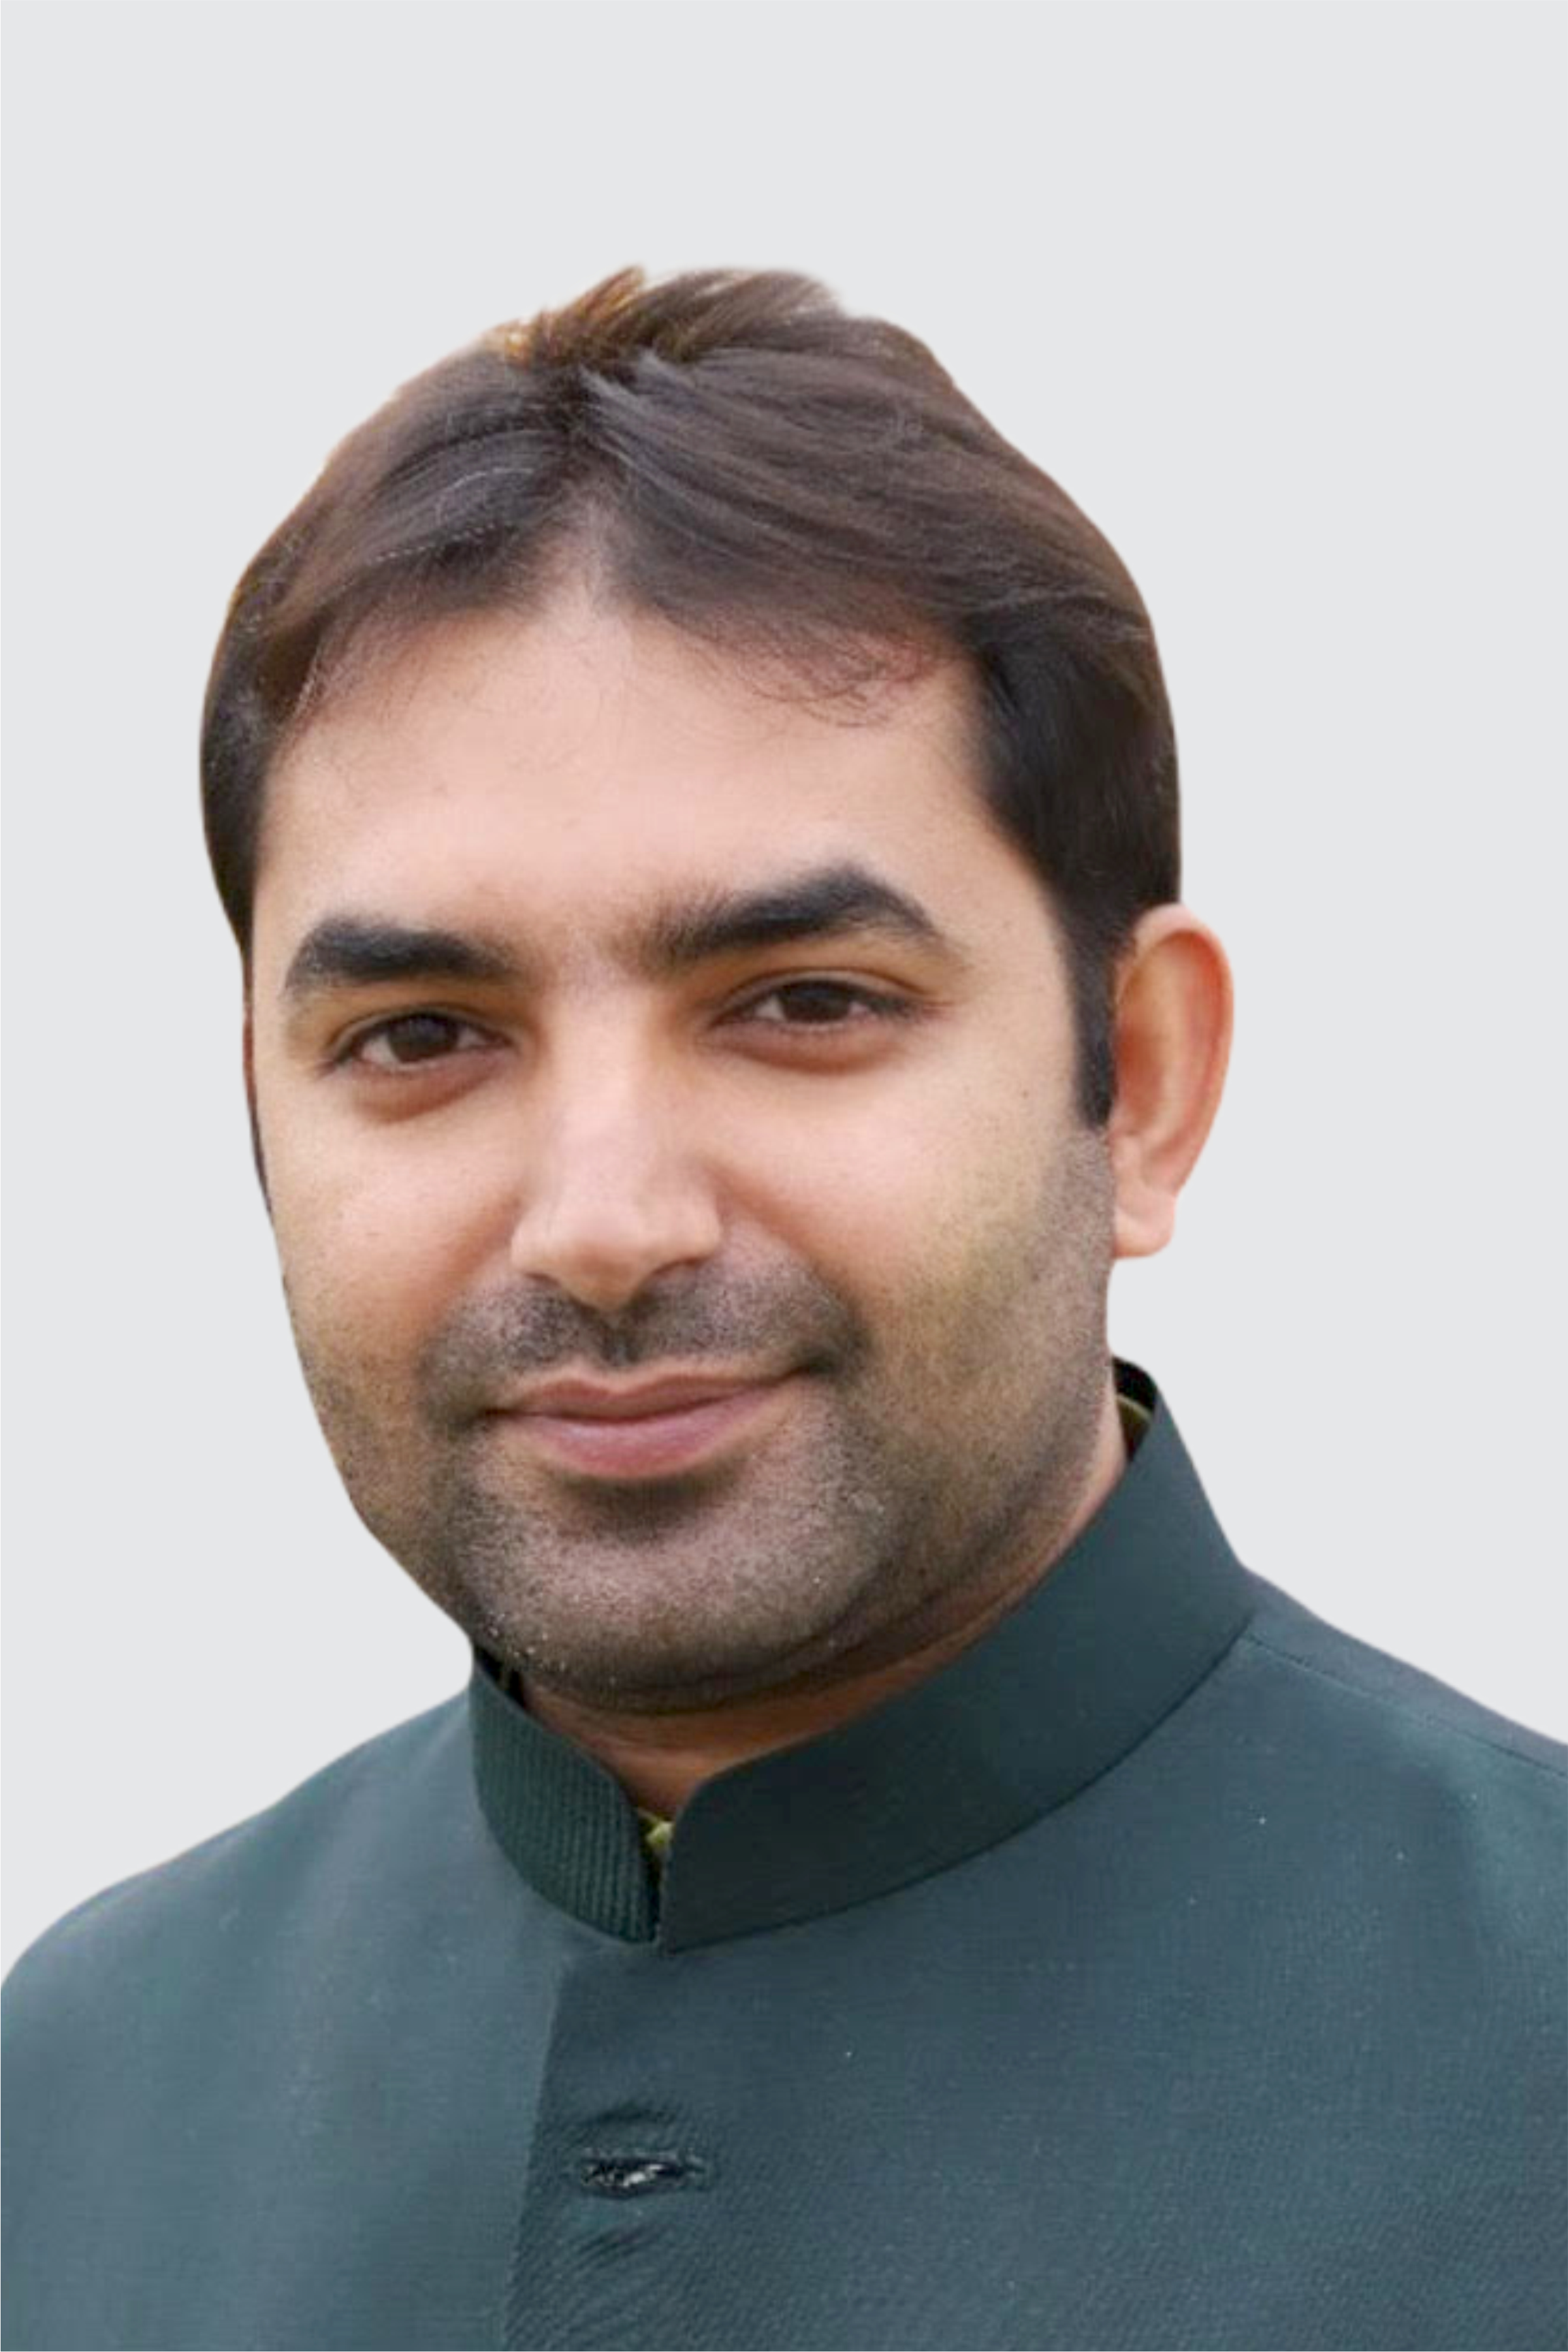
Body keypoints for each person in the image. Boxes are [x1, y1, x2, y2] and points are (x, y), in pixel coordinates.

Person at [3, 266, 1562, 2352]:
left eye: (804, 1003)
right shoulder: (76, 2097)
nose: (605, 1223)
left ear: (1142, 1083)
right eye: (423, 1034)